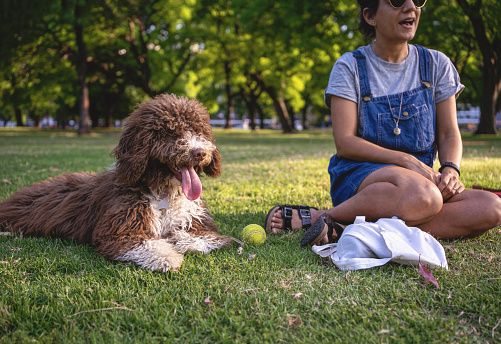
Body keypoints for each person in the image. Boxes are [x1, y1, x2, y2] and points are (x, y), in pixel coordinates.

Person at [265, 0, 501, 245]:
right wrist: (406, 160)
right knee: (423, 194)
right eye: (397, 1)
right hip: (362, 177)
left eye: (417, 0)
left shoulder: (437, 64)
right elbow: (345, 143)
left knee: (490, 207)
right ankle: (323, 216)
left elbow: (450, 133)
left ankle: (347, 227)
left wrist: (450, 169)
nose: (411, 7)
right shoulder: (349, 67)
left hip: (422, 184)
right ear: (370, 16)